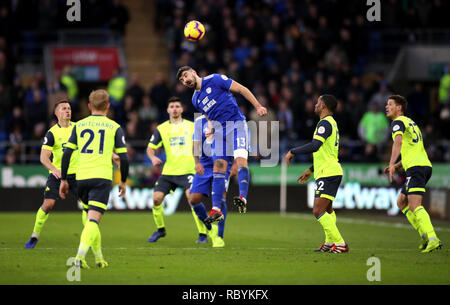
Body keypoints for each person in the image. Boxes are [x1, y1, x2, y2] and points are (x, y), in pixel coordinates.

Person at [177, 66, 267, 221]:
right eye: (182, 80)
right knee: (218, 167)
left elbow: (241, 89)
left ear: (194, 72)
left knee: (240, 160)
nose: (185, 80)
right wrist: (211, 127)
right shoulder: (195, 99)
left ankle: (242, 198)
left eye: (186, 76)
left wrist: (258, 106)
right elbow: (208, 116)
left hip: (237, 125)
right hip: (219, 132)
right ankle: (216, 209)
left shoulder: (215, 79)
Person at [59, 89, 129, 268]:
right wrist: (122, 181)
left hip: (81, 177)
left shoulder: (79, 125)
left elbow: (67, 153)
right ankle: (79, 257)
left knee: (90, 217)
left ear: (89, 106)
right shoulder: (114, 127)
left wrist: (64, 180)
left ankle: (99, 258)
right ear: (108, 106)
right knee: (93, 220)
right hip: (101, 178)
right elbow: (124, 157)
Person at [285, 94, 348, 253]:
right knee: (327, 210)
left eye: (318, 102)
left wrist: (292, 151)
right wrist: (311, 170)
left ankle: (340, 243)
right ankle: (329, 242)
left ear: (324, 106)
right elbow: (325, 152)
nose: (315, 105)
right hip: (326, 171)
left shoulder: (325, 123)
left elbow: (315, 145)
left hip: (328, 173)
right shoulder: (329, 123)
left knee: (318, 211)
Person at [384, 95, 442, 253]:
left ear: (399, 108)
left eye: (390, 104)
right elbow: (411, 150)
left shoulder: (398, 122)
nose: (386, 107)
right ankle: (424, 235)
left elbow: (398, 142)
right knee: (401, 202)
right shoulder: (411, 123)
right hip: (421, 166)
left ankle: (432, 238)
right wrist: (396, 166)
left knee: (415, 205)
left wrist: (390, 162)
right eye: (386, 104)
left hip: (417, 168)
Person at [146, 96, 205, 243]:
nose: (174, 109)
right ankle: (160, 230)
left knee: (192, 200)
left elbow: (201, 144)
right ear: (167, 110)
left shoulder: (192, 126)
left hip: (188, 170)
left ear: (182, 109)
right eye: (171, 106)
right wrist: (153, 158)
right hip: (169, 172)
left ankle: (203, 234)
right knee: (156, 199)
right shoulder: (161, 128)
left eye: (177, 106)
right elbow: (150, 148)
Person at [24, 100, 80, 249]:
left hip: (78, 174)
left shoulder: (79, 128)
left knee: (88, 206)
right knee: (48, 204)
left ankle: (89, 239)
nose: (67, 111)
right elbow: (43, 157)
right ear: (56, 113)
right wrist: (55, 170)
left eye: (69, 108)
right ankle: (34, 236)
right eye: (63, 108)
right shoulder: (52, 133)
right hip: (57, 175)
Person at [190, 114, 235, 248]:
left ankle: (219, 237)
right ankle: (211, 229)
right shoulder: (199, 121)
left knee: (221, 198)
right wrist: (197, 162)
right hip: (205, 165)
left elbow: (234, 142)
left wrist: (234, 163)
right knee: (193, 199)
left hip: (222, 164)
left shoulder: (226, 118)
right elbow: (196, 144)